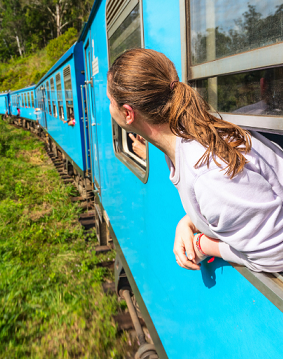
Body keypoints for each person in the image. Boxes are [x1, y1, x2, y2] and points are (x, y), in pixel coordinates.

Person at [107, 48, 283, 273]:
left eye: (110, 101)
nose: (108, 107)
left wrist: (204, 245)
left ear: (128, 113)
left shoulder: (205, 171)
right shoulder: (188, 136)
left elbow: (276, 253)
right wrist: (189, 221)